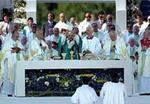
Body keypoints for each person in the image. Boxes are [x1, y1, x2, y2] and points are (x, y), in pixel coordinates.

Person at [1, 29, 23, 96]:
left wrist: (19, 50)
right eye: (17, 33)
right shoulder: (8, 42)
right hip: (10, 63)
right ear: (13, 34)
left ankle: (18, 91)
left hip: (18, 63)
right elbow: (3, 53)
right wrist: (11, 52)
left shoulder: (19, 42)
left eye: (18, 33)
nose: (18, 34)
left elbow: (23, 51)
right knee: (9, 77)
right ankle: (9, 91)